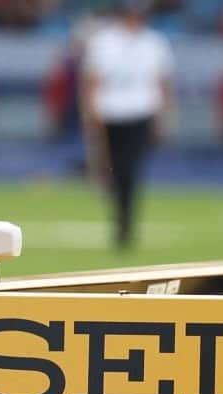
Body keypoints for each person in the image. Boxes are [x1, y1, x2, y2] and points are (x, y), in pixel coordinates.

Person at [78, 1, 175, 247]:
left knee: (129, 169)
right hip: (111, 112)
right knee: (116, 169)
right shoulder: (104, 42)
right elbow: (92, 81)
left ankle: (124, 223)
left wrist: (163, 117)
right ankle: (122, 217)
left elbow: (162, 82)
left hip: (141, 112)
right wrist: (91, 113)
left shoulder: (154, 43)